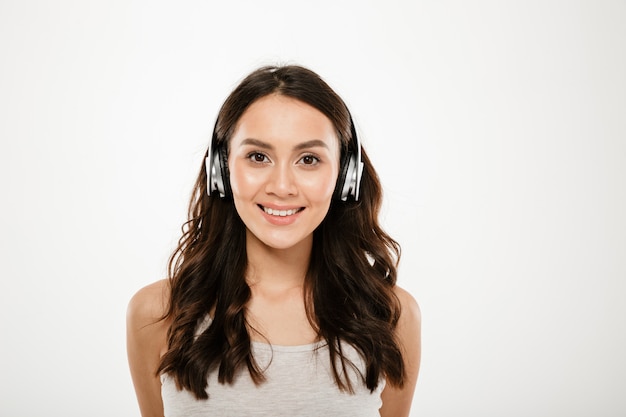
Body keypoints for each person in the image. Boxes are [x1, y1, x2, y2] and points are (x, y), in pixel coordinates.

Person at [126, 64, 421, 417]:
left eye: (309, 159)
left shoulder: (391, 316)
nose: (282, 186)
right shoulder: (156, 314)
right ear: (221, 170)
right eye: (258, 157)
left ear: (345, 176)